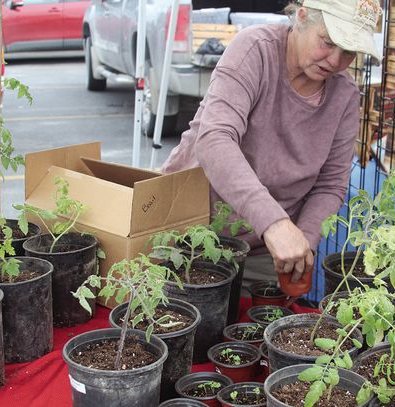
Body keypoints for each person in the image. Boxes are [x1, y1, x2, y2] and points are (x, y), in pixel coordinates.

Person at [161, 0, 382, 293]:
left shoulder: (344, 95)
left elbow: (330, 185)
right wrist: (275, 223)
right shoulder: (255, 50)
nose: (335, 61)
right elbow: (215, 140)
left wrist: (300, 244)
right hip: (188, 236)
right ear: (302, 17)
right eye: (328, 42)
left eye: (349, 52)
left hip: (261, 251)